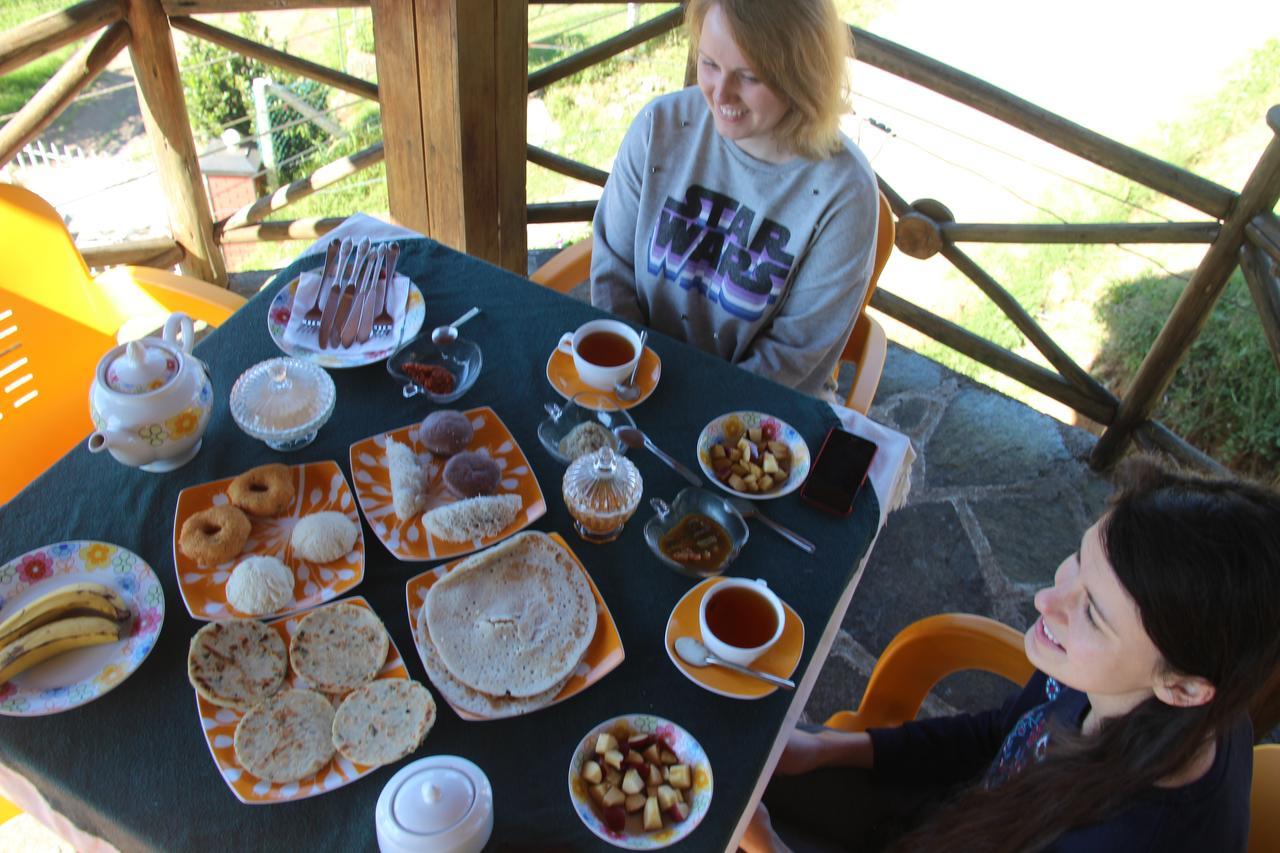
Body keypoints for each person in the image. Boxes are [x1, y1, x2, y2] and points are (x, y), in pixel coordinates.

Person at [743, 455, 1280, 852]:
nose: (1047, 599)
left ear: (1182, 686)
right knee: (733, 757)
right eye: (1078, 559)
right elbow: (1002, 736)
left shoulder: (1127, 838)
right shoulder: (1116, 676)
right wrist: (832, 750)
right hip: (940, 818)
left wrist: (769, 846)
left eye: (1092, 611)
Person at [590, 0, 879, 400]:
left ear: (802, 77)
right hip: (637, 382)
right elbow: (613, 270)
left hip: (759, 408)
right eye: (709, 64)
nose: (720, 94)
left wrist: (692, 407)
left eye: (749, 77)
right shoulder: (659, 127)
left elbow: (792, 356)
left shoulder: (844, 192)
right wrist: (633, 376)